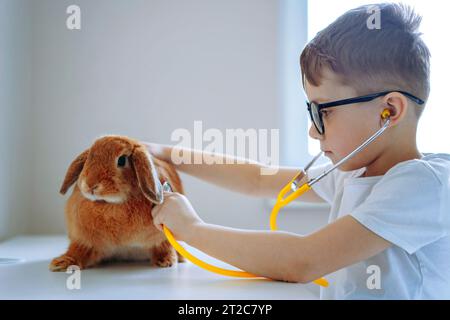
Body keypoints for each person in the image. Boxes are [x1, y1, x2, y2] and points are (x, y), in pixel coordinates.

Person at [144, 3, 450, 299]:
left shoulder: (423, 186)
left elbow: (302, 261)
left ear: (389, 110)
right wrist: (168, 155)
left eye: (324, 112)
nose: (313, 130)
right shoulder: (353, 171)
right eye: (310, 112)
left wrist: (192, 229)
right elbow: (258, 181)